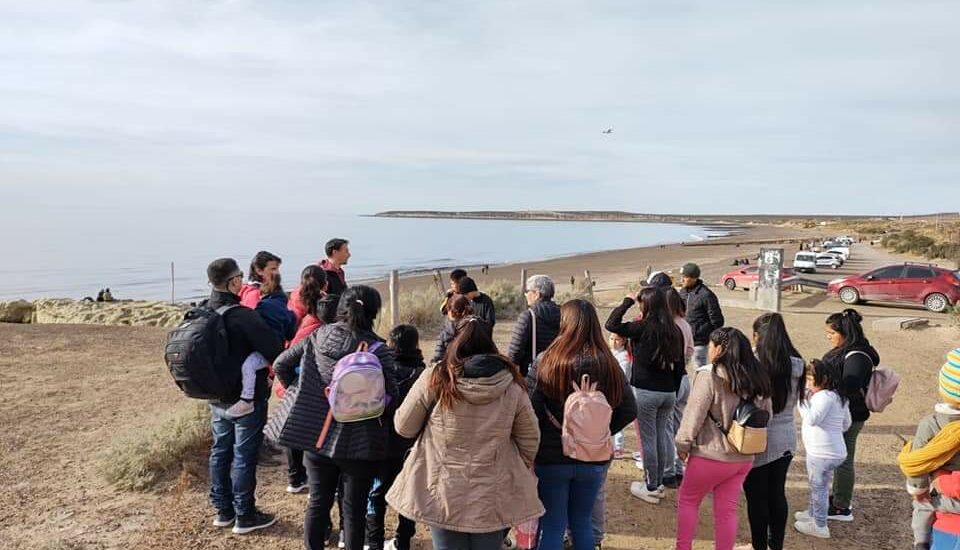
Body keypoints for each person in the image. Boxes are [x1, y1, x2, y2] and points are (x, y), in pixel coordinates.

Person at [386, 317, 543, 550]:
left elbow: (403, 426)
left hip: (442, 488)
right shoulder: (511, 385)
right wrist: (511, 465)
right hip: (492, 491)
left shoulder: (436, 378)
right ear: (490, 344)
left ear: (453, 342)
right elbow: (530, 440)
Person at [277, 286, 400, 550]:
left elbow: (281, 364)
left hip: (317, 437)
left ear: (341, 309)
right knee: (354, 511)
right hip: (360, 442)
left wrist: (304, 396)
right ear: (373, 312)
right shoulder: (378, 349)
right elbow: (392, 396)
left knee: (318, 503)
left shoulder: (319, 335)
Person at [531, 299, 637, 550]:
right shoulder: (609, 363)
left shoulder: (547, 361)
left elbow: (530, 408)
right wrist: (598, 432)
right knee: (581, 522)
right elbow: (629, 409)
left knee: (553, 523)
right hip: (594, 456)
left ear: (563, 324)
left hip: (552, 455)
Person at [203, 258, 284, 535]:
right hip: (246, 399)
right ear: (233, 282)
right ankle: (245, 515)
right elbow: (273, 347)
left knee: (220, 451)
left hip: (216, 397)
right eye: (239, 277)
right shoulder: (240, 315)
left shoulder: (204, 311)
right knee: (244, 456)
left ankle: (223, 511)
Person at [675, 327, 772, 550]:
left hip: (710, 453)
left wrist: (683, 443)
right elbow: (768, 415)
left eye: (710, 346)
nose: (709, 350)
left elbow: (694, 414)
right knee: (727, 511)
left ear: (719, 348)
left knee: (688, 501)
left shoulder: (709, 375)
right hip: (743, 457)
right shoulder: (759, 376)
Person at [606, 287, 685, 504]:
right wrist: (674, 389)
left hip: (646, 391)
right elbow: (679, 365)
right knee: (662, 436)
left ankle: (652, 485)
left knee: (650, 439)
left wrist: (627, 301)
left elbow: (611, 324)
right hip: (668, 390)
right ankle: (661, 480)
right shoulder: (674, 330)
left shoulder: (642, 327)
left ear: (646, 305)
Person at [736, 313, 805, 550]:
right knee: (777, 493)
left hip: (758, 436)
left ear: (757, 336)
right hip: (786, 436)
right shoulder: (797, 363)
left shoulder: (754, 363)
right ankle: (776, 545)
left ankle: (758, 546)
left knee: (756, 498)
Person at [275, 265, 334, 495]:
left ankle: (295, 477)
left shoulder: (294, 301)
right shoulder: (322, 311)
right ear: (325, 285)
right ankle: (309, 477)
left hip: (289, 369)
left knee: (292, 425)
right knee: (311, 428)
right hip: (302, 375)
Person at [365, 325, 425, 550]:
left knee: (376, 492)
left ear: (391, 345)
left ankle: (374, 542)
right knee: (408, 494)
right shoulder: (421, 374)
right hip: (410, 445)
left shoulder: (380, 369)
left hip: (380, 442)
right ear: (415, 345)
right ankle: (403, 540)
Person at [821, 308, 880, 522]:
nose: (828, 337)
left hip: (851, 415)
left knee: (844, 460)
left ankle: (841, 507)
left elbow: (851, 384)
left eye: (831, 333)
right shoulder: (849, 349)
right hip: (845, 413)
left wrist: (825, 382)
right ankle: (838, 497)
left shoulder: (857, 356)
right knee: (840, 458)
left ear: (845, 333)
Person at [902, 348, 960, 550]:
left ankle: (921, 542)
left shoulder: (931, 424)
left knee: (922, 503)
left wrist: (919, 489)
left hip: (946, 503)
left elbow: (917, 464)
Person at [794, 359, 851, 539]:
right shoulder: (839, 397)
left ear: (824, 379)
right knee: (820, 485)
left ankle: (819, 525)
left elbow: (812, 419)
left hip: (821, 454)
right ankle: (812, 513)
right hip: (834, 452)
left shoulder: (823, 397)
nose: (809, 385)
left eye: (812, 380)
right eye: (807, 380)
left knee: (818, 487)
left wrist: (801, 400)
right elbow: (846, 423)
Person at [663, 287, 695, 488]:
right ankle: (678, 469)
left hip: (670, 380)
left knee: (666, 428)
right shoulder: (685, 324)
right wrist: (684, 361)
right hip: (684, 377)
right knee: (678, 426)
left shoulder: (667, 326)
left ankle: (668, 472)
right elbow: (690, 350)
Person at [508, 275, 561, 376]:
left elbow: (514, 352)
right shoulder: (565, 314)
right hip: (558, 371)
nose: (526, 294)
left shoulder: (528, 316)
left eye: (528, 291)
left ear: (536, 294)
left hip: (532, 372)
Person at [678, 262, 724, 368]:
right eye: (682, 277)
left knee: (700, 370)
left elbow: (717, 321)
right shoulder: (682, 292)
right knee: (679, 369)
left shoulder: (706, 295)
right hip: (683, 340)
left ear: (694, 278)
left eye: (685, 277)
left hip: (699, 342)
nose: (682, 280)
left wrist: (706, 335)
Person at [432, 294, 476, 363]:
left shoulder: (445, 333)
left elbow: (437, 358)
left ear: (450, 312)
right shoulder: (476, 327)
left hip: (450, 370)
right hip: (475, 369)